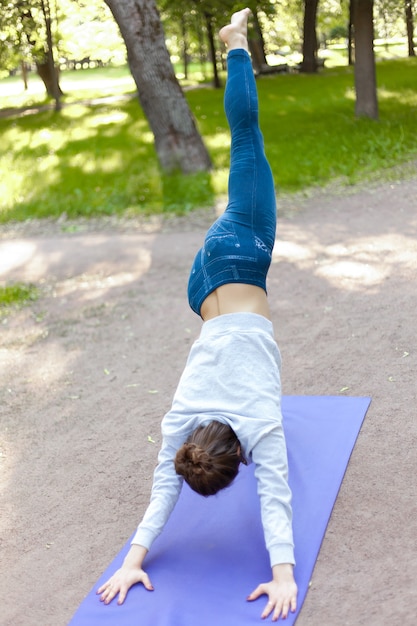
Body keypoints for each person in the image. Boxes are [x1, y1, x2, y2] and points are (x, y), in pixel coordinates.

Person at [97, 8, 298, 622]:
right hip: (201, 288)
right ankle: (236, 46)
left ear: (238, 454)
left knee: (247, 142)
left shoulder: (261, 423)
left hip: (238, 258)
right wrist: (131, 558)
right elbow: (162, 492)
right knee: (244, 156)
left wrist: (282, 576)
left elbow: (276, 498)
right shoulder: (178, 422)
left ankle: (235, 44)